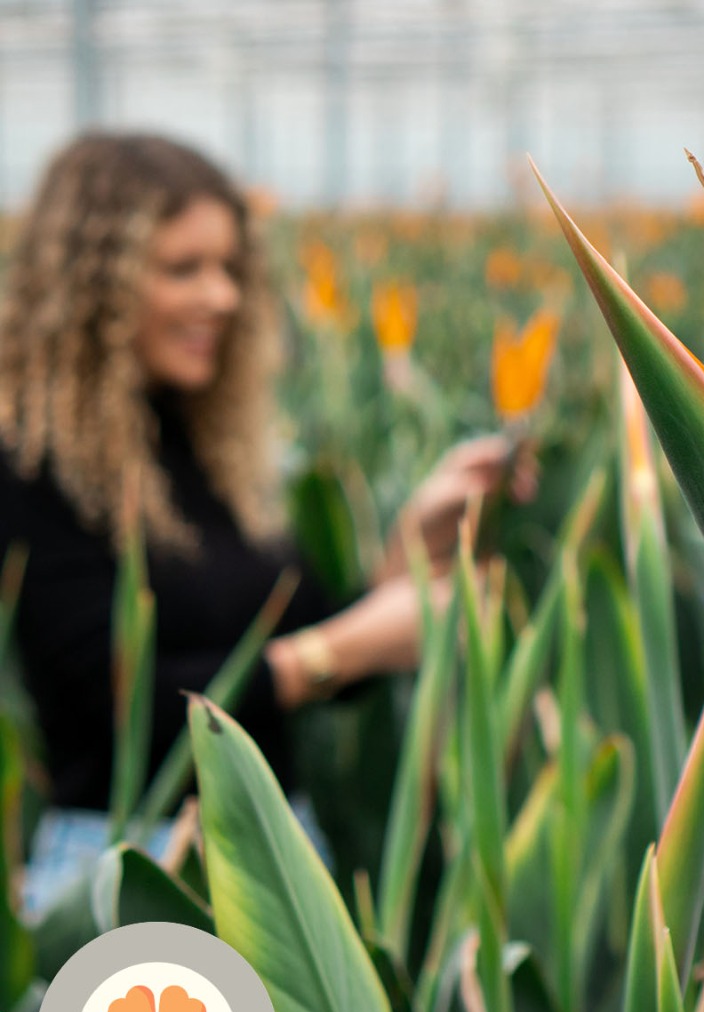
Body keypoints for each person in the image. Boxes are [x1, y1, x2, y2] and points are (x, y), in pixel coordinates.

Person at [0, 132, 531, 833]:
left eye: (229, 266)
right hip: (137, 866)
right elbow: (124, 709)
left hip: (277, 853)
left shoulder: (210, 448)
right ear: (91, 284)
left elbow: (303, 643)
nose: (221, 296)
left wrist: (412, 543)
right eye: (183, 268)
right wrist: (344, 651)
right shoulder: (31, 461)